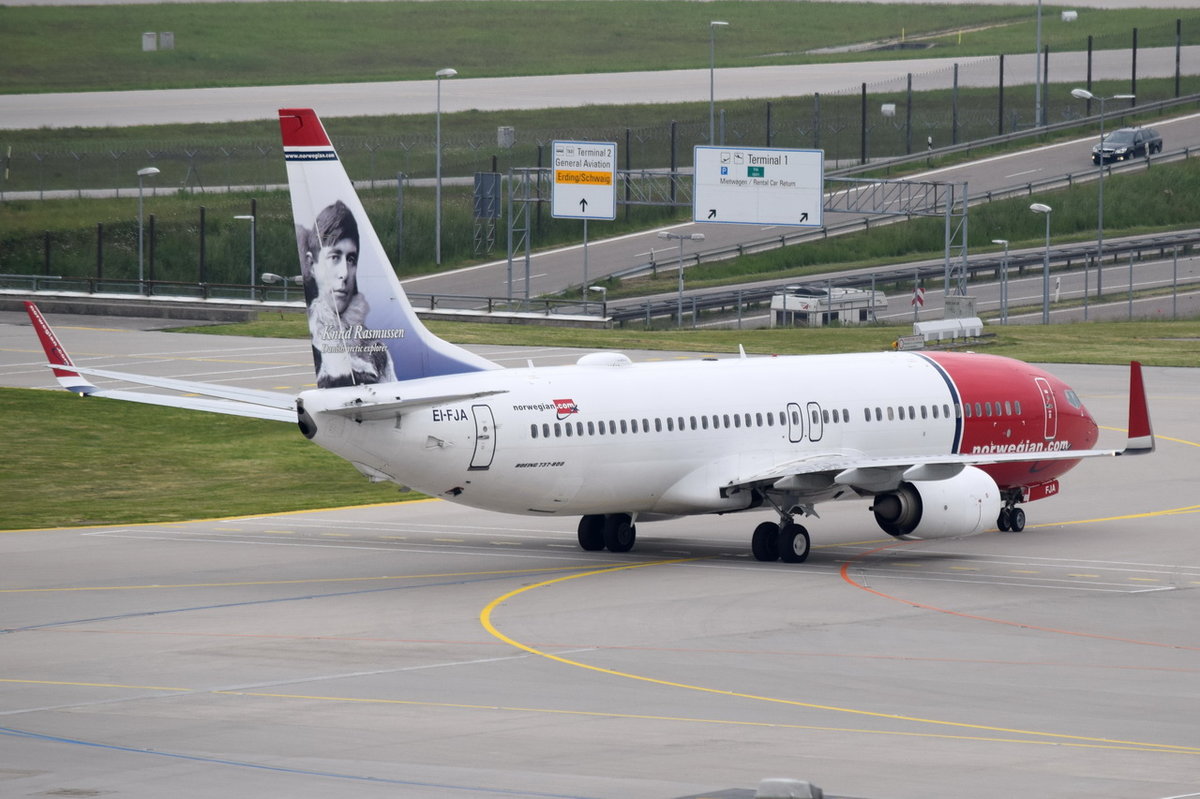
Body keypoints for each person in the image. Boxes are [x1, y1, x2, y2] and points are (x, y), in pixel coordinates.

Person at [296, 200, 396, 388]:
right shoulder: (319, 348)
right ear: (311, 265)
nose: (344, 273)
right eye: (335, 257)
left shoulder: (376, 351)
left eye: (351, 259)